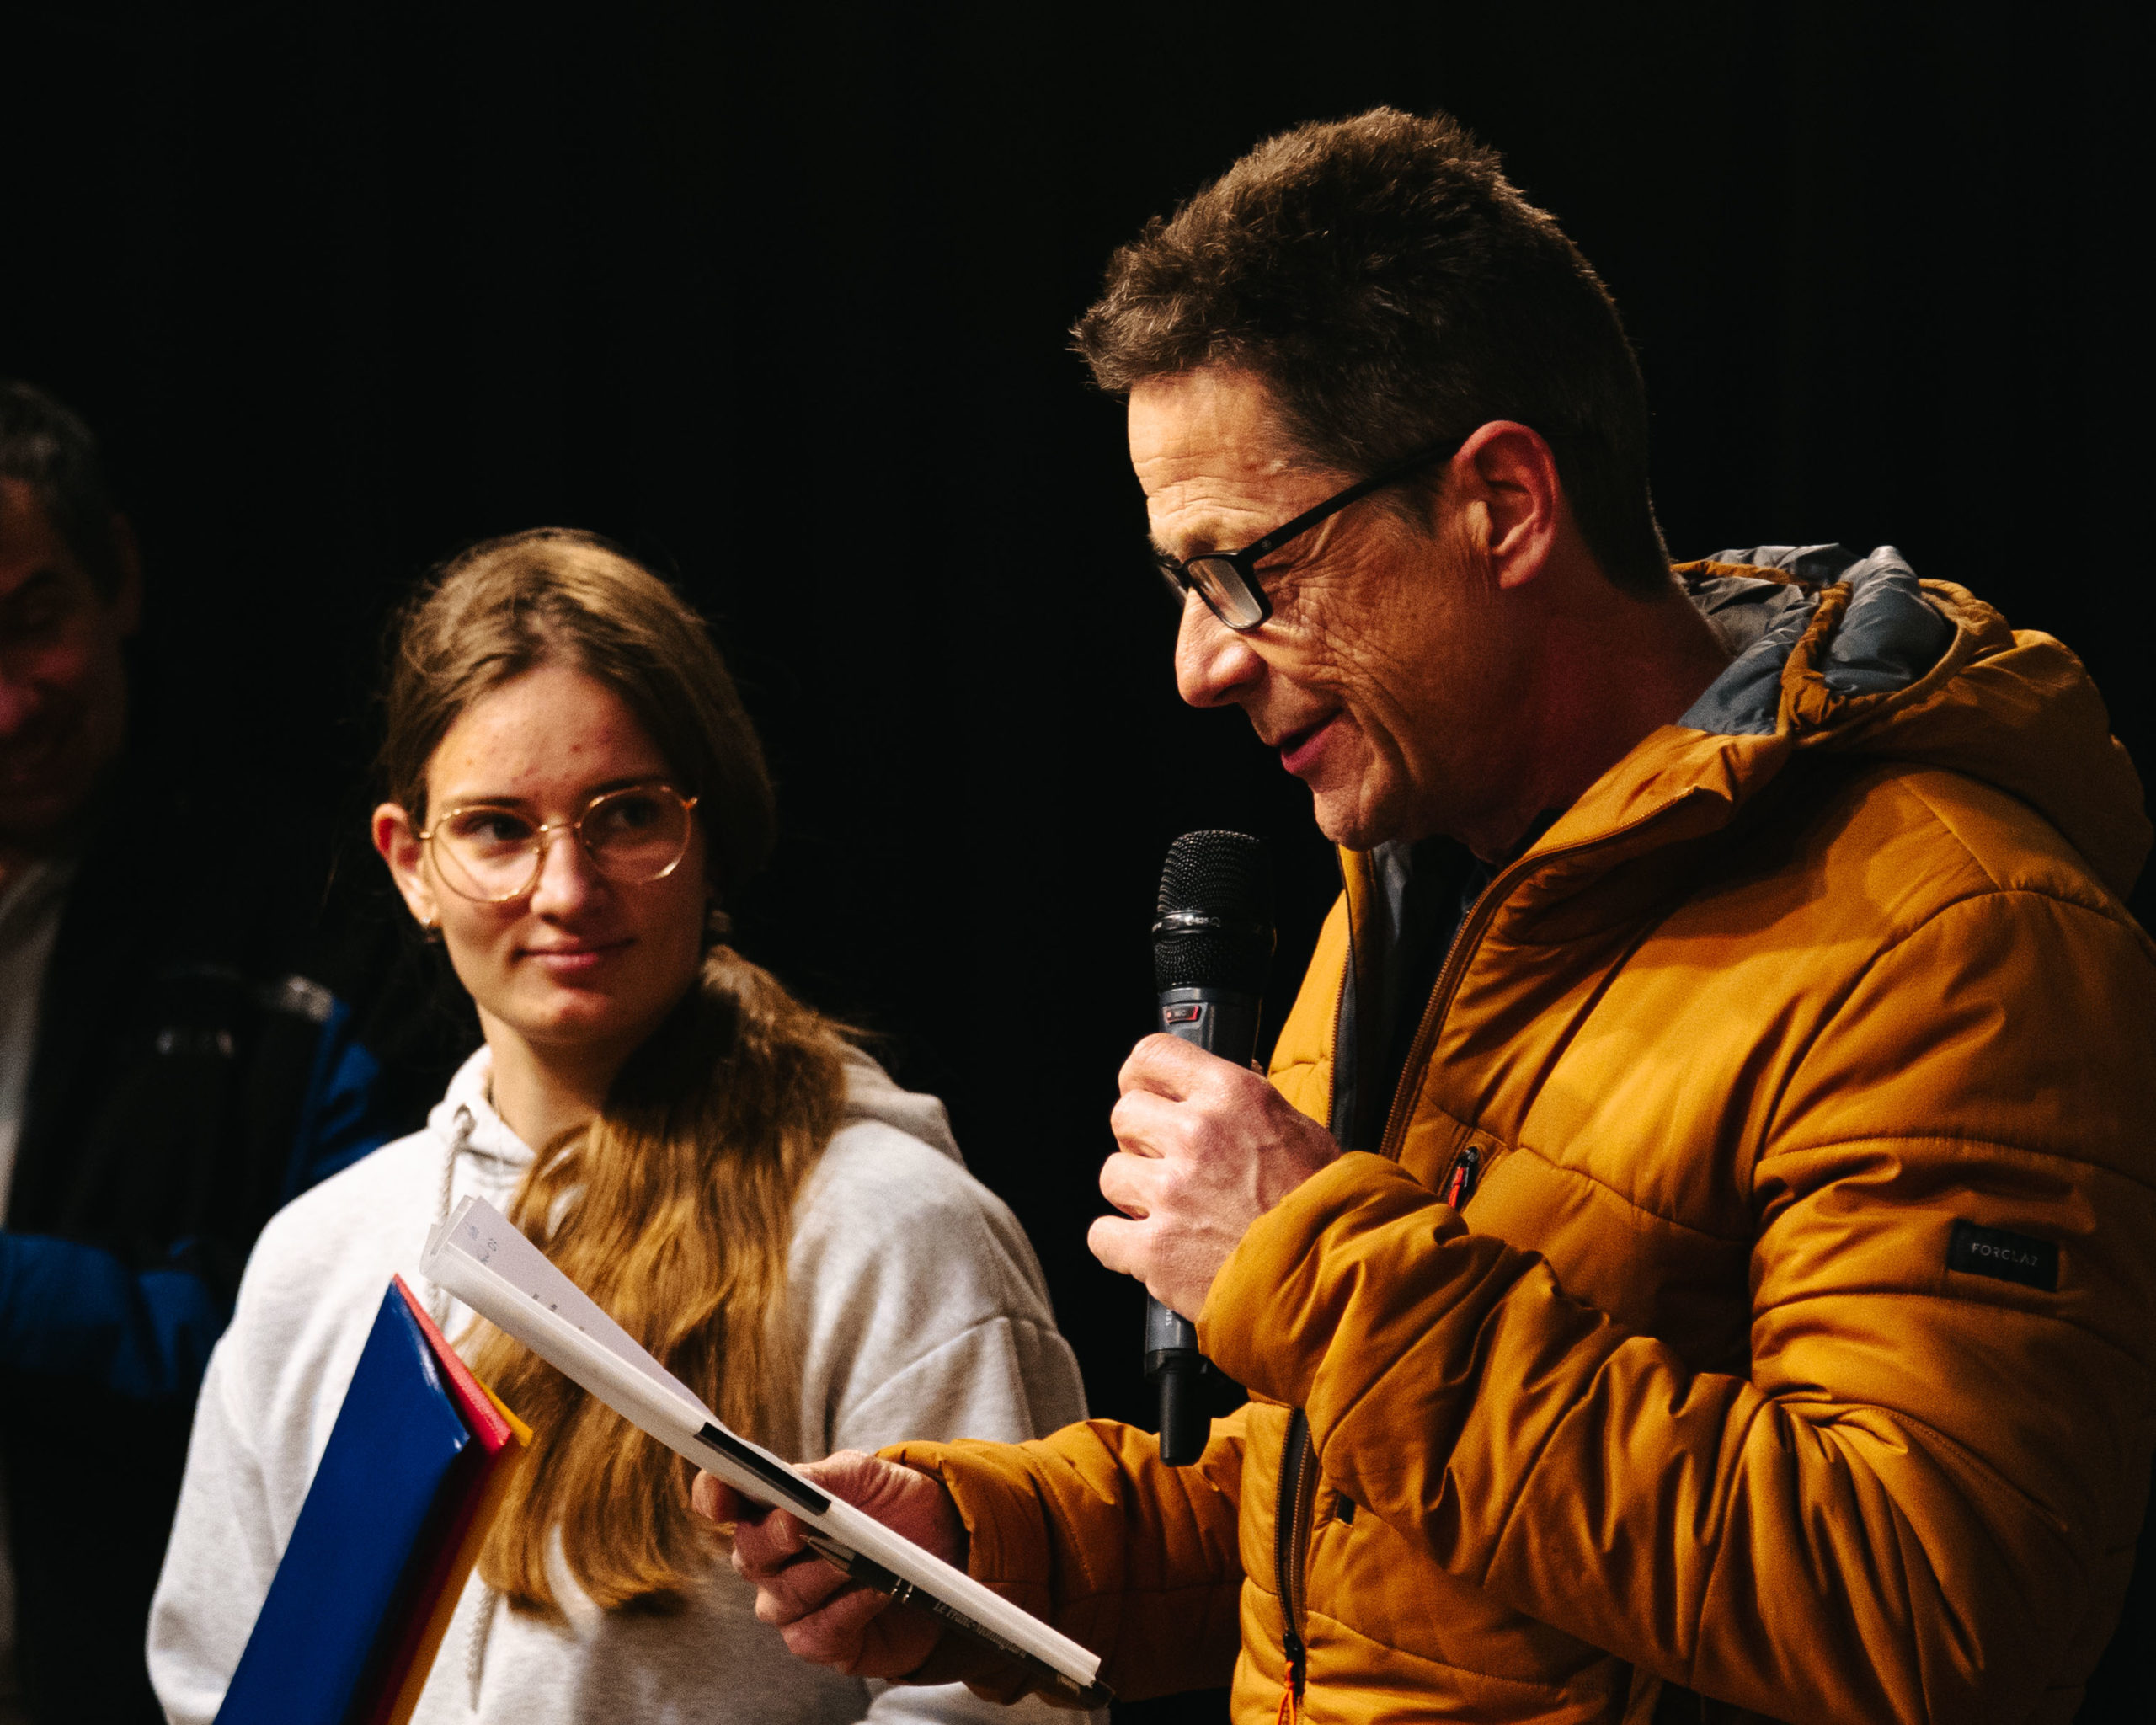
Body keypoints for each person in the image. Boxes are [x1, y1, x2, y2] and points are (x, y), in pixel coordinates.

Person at [702, 109, 2156, 1723]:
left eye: (1244, 571)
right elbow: (1350, 1522)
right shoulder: (1418, 880)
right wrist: (986, 1549)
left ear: (1505, 505)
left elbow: (1929, 1611)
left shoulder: (1953, 933)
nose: (1199, 666)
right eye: (1180, 586)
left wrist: (1317, 1268)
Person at [147, 528, 1096, 1724]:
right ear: (411, 864)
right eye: (497, 828)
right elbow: (219, 1688)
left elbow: (1004, 1707)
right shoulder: (318, 1258)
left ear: (710, 835)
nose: (565, 891)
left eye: (626, 815)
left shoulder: (891, 1237)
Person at [0, 380, 419, 1725]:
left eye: (31, 620)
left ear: (117, 576)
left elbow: (373, 1365)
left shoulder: (312, 921)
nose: (7, 706)